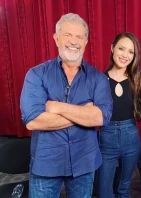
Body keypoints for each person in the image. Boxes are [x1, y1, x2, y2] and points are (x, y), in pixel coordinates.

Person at [20, 13, 113, 198]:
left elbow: (101, 117)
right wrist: (83, 114)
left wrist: (58, 107)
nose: (74, 41)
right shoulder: (36, 74)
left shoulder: (99, 79)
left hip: (84, 162)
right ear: (56, 38)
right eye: (67, 35)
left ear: (86, 41)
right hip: (46, 163)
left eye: (79, 36)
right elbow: (33, 121)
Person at [97, 32, 141, 198]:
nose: (125, 55)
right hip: (106, 137)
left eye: (130, 52)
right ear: (112, 49)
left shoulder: (137, 80)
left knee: (124, 188)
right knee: (104, 191)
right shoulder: (99, 80)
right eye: (121, 49)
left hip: (131, 136)